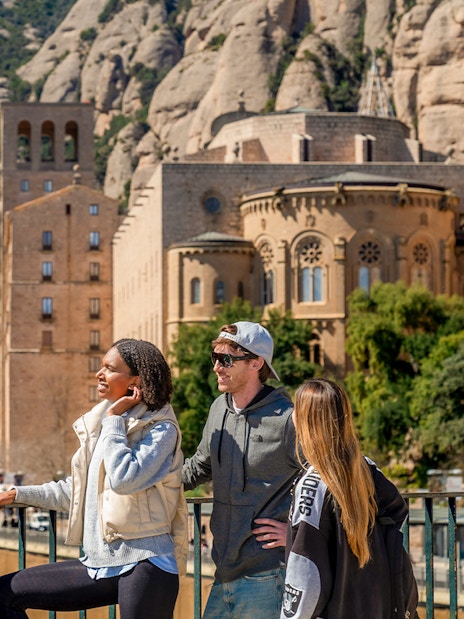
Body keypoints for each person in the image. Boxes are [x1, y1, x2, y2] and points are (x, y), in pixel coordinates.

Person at [0, 338, 187, 619]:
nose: (99, 374)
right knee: (6, 593)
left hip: (146, 563)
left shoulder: (160, 428)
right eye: (101, 367)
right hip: (99, 563)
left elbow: (126, 479)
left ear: (136, 380)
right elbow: (76, 492)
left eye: (109, 369)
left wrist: (113, 419)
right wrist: (17, 494)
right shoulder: (103, 425)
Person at [182, 321, 300, 619]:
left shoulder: (289, 419)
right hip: (223, 568)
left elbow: (331, 483)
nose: (217, 368)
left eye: (226, 360)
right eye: (215, 358)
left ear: (256, 363)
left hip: (268, 572)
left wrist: (298, 533)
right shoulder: (218, 409)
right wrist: (145, 482)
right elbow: (198, 468)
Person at [281, 378, 417, 619]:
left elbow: (304, 576)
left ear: (305, 422)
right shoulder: (367, 470)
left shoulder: (312, 485)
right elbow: (398, 517)